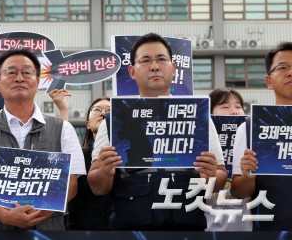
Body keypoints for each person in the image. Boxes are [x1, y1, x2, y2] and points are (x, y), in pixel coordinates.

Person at [88, 33, 226, 230]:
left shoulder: (198, 115)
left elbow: (220, 178)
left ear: (173, 68)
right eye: (145, 60)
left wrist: (212, 175)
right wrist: (104, 172)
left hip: (187, 226)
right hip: (132, 227)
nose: (154, 66)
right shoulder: (114, 120)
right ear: (132, 71)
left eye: (161, 59)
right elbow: (97, 187)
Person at [0, 49, 85, 230]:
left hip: (48, 228)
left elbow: (72, 182)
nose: (19, 78)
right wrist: (5, 215)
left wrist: (39, 214)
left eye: (27, 72)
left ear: (38, 82)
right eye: (11, 72)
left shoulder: (63, 129)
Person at [231, 42, 292, 230]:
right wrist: (248, 178)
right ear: (269, 81)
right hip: (271, 231)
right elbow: (238, 191)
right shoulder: (250, 128)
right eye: (283, 68)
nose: (290, 73)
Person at [207, 88, 251, 231]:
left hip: (244, 222)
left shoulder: (251, 136)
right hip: (208, 221)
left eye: (238, 107)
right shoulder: (202, 140)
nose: (234, 112)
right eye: (225, 107)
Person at [66, 97, 112, 230]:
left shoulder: (128, 156)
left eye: (109, 110)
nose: (103, 113)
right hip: (82, 229)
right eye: (97, 110)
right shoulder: (78, 155)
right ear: (88, 124)